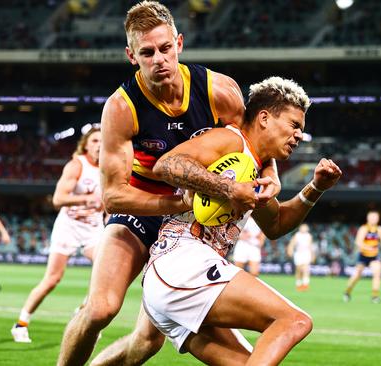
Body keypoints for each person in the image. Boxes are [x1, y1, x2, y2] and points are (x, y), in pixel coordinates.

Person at [57, 2, 281, 365]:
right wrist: (182, 204)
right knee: (100, 309)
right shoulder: (121, 107)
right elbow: (114, 197)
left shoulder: (219, 91)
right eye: (147, 52)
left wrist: (270, 179)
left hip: (189, 225)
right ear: (132, 55)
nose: (159, 59)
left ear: (179, 43)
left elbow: (256, 146)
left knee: (147, 343)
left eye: (165, 49)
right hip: (140, 210)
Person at [142, 76, 342, 364]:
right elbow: (168, 164)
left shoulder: (255, 166)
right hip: (181, 262)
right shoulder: (231, 140)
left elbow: (276, 225)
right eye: (294, 125)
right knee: (293, 321)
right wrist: (228, 188)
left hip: (178, 279)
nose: (299, 135)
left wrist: (316, 188)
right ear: (264, 118)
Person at [11, 127, 104, 343]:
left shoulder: (110, 165)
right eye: (95, 140)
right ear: (86, 145)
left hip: (93, 228)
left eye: (103, 140)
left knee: (106, 272)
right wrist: (87, 199)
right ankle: (21, 324)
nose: (99, 144)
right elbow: (58, 199)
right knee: (52, 279)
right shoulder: (76, 165)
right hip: (68, 226)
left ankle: (83, 313)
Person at [343, 211, 381, 303]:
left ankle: (375, 296)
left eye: (376, 217)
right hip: (363, 255)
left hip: (374, 256)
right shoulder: (364, 229)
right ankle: (347, 292)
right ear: (368, 218)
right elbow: (358, 242)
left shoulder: (379, 229)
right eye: (373, 217)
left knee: (377, 273)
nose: (374, 219)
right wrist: (368, 248)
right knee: (357, 275)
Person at [286, 223, 315, 291]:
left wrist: (313, 255)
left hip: (306, 253)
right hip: (298, 254)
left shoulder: (309, 236)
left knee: (305, 269)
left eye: (305, 227)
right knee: (298, 270)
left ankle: (305, 285)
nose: (304, 229)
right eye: (303, 227)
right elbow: (292, 244)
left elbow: (311, 246)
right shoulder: (297, 235)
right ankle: (298, 284)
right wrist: (290, 250)